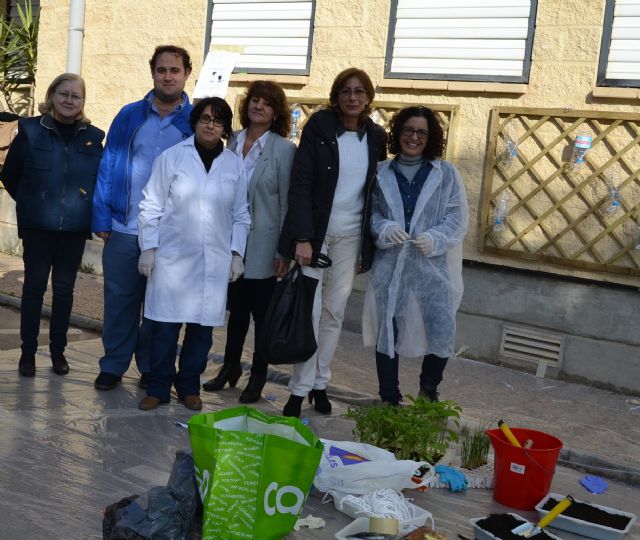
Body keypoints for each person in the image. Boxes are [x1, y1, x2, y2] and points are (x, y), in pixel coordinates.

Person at [278, 68, 387, 417]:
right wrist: (303, 238)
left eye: (360, 91)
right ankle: (298, 389)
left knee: (334, 313)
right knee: (308, 313)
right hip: (316, 236)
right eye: (346, 91)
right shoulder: (320, 126)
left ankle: (320, 383)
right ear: (336, 96)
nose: (353, 97)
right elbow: (300, 184)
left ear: (368, 98)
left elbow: (376, 193)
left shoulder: (376, 136)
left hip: (351, 239)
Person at [136, 97, 250, 411]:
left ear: (225, 128)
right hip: (172, 260)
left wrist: (237, 253)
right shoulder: (172, 158)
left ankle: (188, 386)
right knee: (164, 330)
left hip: (214, 262)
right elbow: (150, 206)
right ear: (195, 122)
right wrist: (148, 248)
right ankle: (158, 387)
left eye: (218, 120)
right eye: (204, 119)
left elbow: (241, 214)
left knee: (201, 333)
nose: (210, 125)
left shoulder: (234, 165)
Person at [92, 45, 193, 391]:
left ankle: (151, 367)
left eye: (175, 70)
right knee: (119, 301)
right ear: (152, 73)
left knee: (158, 306)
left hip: (170, 233)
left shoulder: (194, 121)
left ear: (186, 74)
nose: (168, 76)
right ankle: (113, 365)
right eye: (161, 70)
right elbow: (109, 163)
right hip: (124, 226)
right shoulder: (129, 115)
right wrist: (102, 215)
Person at [363, 106, 469, 405]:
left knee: (440, 324)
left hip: (432, 263)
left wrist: (434, 237)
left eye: (422, 132)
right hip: (390, 262)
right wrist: (385, 228)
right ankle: (389, 396)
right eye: (408, 130)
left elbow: (456, 217)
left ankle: (428, 390)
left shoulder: (446, 173)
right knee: (388, 326)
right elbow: (372, 213)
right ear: (398, 133)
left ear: (430, 137)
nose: (414, 137)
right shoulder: (381, 172)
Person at [1, 73, 104, 377]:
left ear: (82, 101)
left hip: (74, 228)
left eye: (76, 95)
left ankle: (58, 353)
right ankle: (28, 354)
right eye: (64, 94)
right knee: (34, 288)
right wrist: (32, 202)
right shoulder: (31, 130)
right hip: (38, 227)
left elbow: (99, 180)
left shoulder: (93, 137)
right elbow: (10, 175)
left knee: (63, 290)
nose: (69, 100)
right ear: (52, 96)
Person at [202, 81, 295, 403]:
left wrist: (284, 250)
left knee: (262, 315)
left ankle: (257, 376)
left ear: (276, 112)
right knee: (236, 310)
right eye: (255, 100)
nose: (258, 106)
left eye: (267, 103)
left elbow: (286, 203)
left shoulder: (284, 150)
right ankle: (229, 367)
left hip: (264, 246)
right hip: (227, 240)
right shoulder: (231, 141)